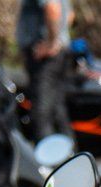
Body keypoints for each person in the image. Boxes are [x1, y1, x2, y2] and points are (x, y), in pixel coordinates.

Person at [18, 0, 72, 141]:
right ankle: (70, 157)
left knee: (41, 113)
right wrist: (59, 40)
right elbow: (70, 15)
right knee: (57, 110)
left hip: (45, 58)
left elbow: (52, 8)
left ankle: (49, 160)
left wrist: (51, 42)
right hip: (59, 53)